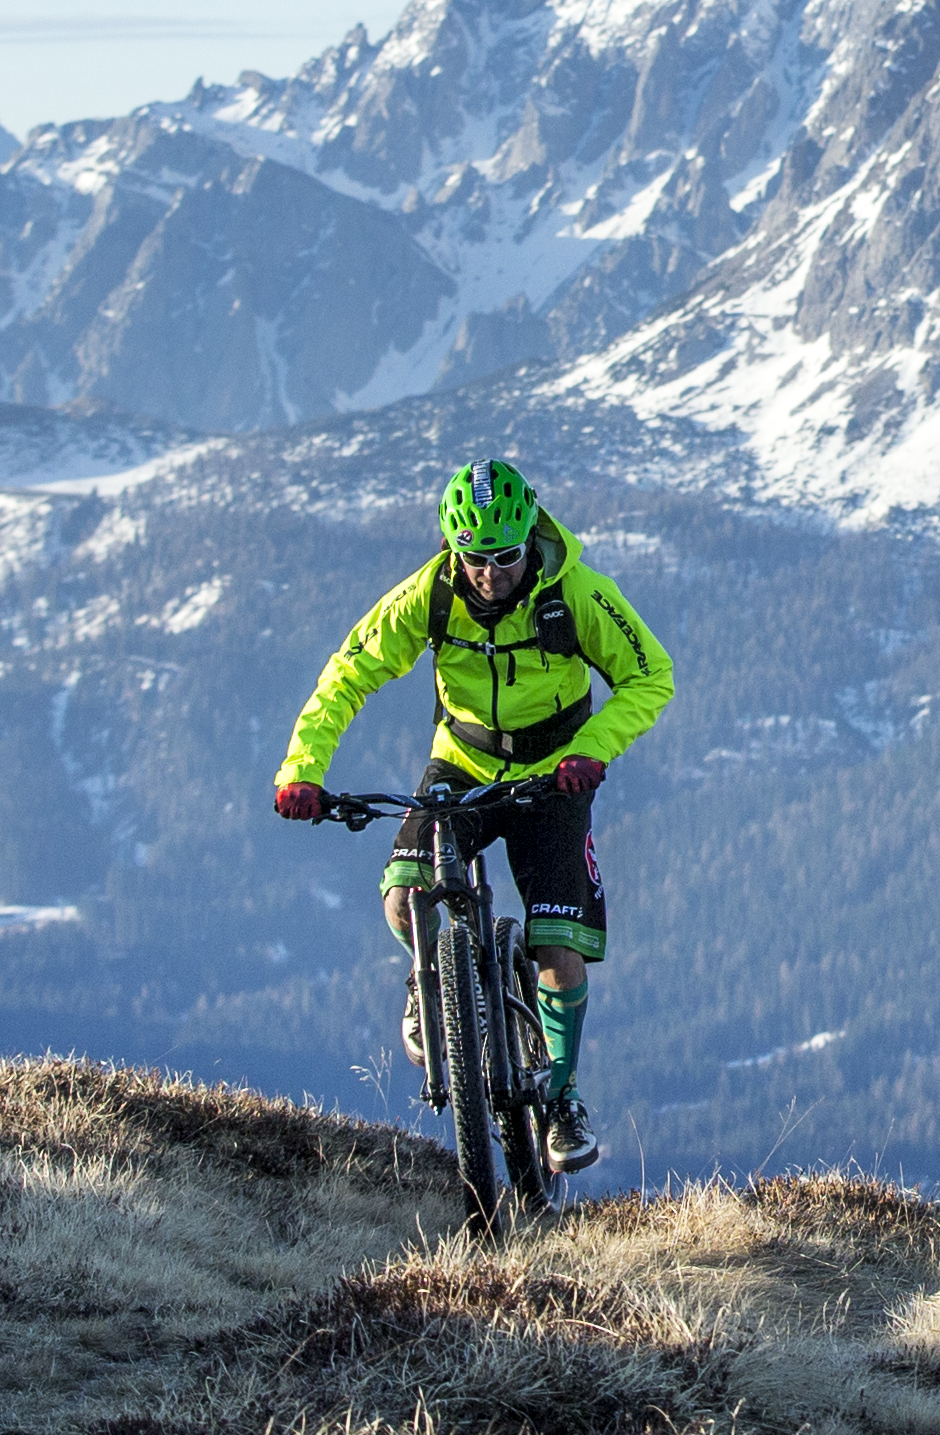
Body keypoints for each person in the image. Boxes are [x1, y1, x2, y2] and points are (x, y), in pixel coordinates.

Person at [271, 455, 675, 1174]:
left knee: (558, 944)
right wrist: (302, 769)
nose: (490, 574)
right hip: (461, 762)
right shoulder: (429, 595)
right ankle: (430, 983)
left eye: (506, 557)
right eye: (474, 558)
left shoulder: (574, 592)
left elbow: (651, 675)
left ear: (530, 539)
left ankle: (563, 1098)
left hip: (555, 774)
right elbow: (350, 670)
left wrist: (589, 751)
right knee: (404, 897)